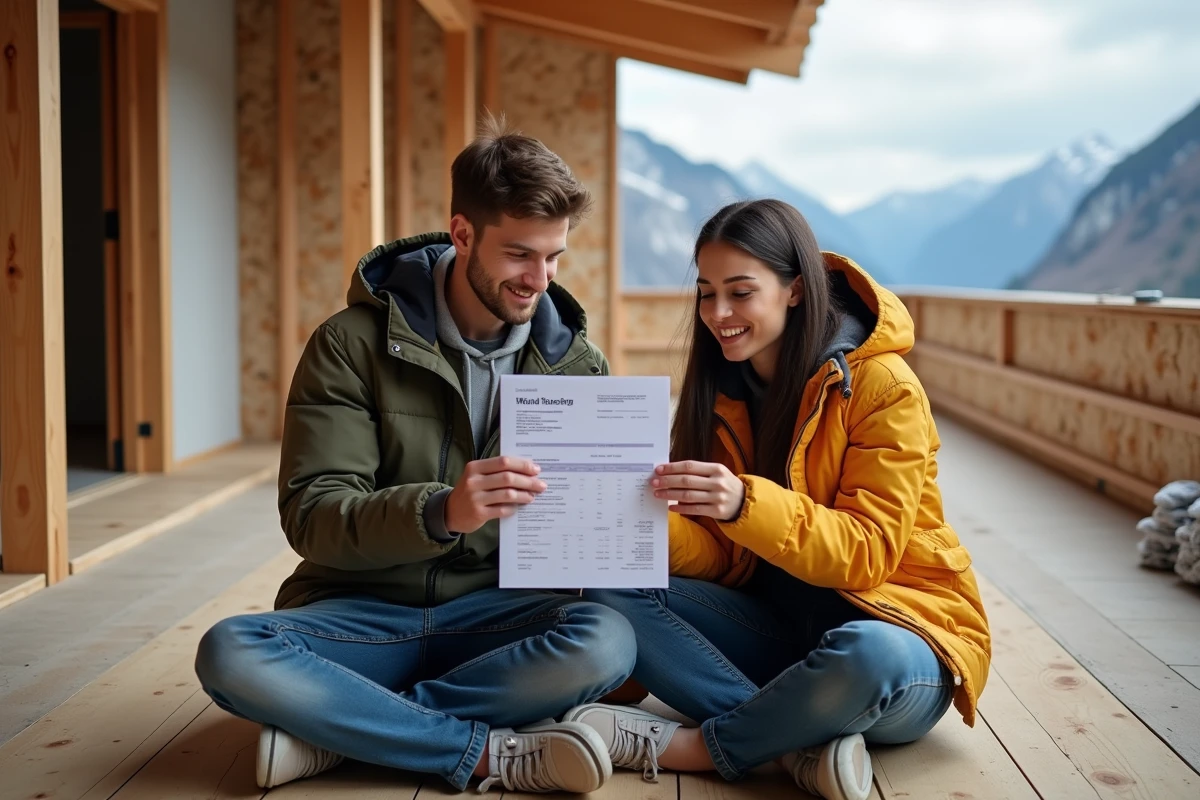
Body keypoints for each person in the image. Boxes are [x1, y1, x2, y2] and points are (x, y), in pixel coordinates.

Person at [194, 116, 637, 795]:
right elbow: (313, 516)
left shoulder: (578, 367)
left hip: (490, 617)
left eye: (554, 258)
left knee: (608, 640)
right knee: (231, 651)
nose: (540, 280)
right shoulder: (349, 345)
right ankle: (484, 751)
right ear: (462, 234)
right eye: (520, 254)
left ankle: (338, 732)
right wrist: (442, 512)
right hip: (358, 609)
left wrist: (626, 516)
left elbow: (581, 553)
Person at [561, 199, 992, 800]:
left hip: (898, 637)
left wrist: (743, 503)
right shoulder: (718, 394)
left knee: (866, 654)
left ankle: (702, 748)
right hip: (780, 641)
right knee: (612, 583)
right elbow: (724, 558)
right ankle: (792, 743)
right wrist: (639, 528)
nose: (718, 313)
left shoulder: (881, 387)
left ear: (793, 289)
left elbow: (868, 555)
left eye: (741, 292)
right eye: (707, 293)